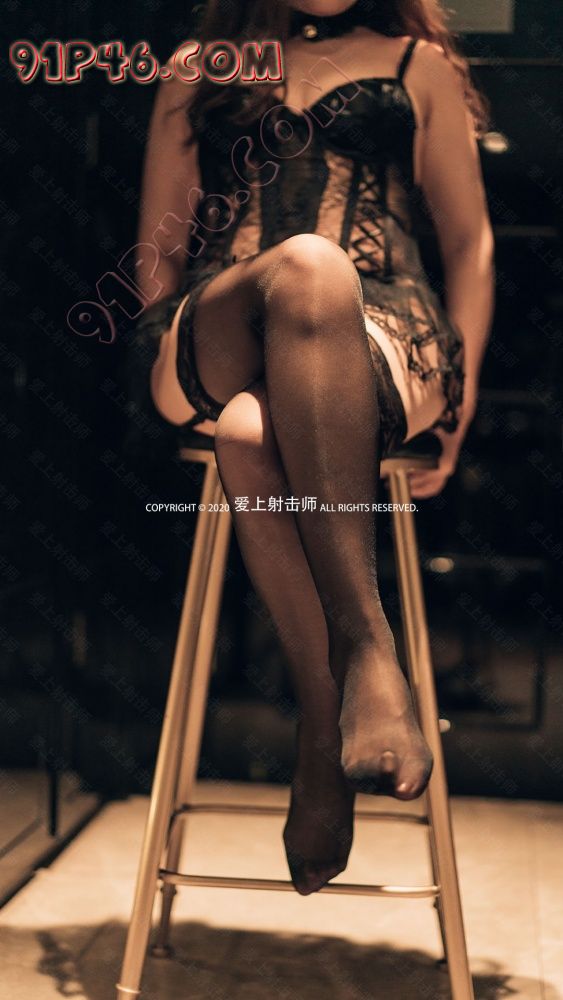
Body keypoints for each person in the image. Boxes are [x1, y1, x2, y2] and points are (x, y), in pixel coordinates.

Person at [133, 0, 495, 895]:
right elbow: (159, 244)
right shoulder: (199, 62)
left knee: (250, 429)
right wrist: (162, 331)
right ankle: (369, 651)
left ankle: (320, 722)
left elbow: (467, 241)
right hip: (225, 317)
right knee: (305, 264)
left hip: (384, 326)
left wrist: (464, 392)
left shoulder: (415, 64)